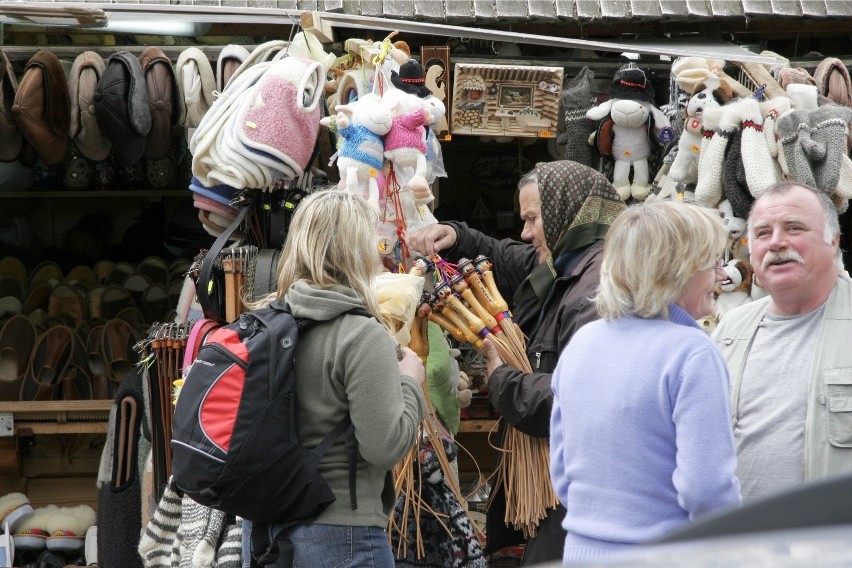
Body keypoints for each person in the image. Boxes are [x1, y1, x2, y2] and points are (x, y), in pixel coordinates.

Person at [407, 160, 626, 564]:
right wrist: (456, 235)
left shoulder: (599, 288)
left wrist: (504, 381)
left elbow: (581, 400)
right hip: (563, 488)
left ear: (567, 211)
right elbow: (507, 258)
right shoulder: (567, 264)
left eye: (532, 219)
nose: (525, 232)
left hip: (579, 493)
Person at [550, 199, 741, 563]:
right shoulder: (692, 353)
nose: (721, 275)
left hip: (580, 551)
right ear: (676, 268)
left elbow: (563, 476)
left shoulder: (583, 343)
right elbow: (707, 490)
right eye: (714, 262)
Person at [252, 189, 426, 567]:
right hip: (343, 533)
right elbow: (384, 447)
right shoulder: (361, 335)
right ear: (355, 251)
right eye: (371, 241)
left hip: (266, 533)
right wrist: (411, 381)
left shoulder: (261, 327)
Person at [713, 181, 852, 502]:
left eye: (794, 228)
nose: (776, 243)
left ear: (833, 240)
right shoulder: (730, 331)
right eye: (762, 233)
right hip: (740, 543)